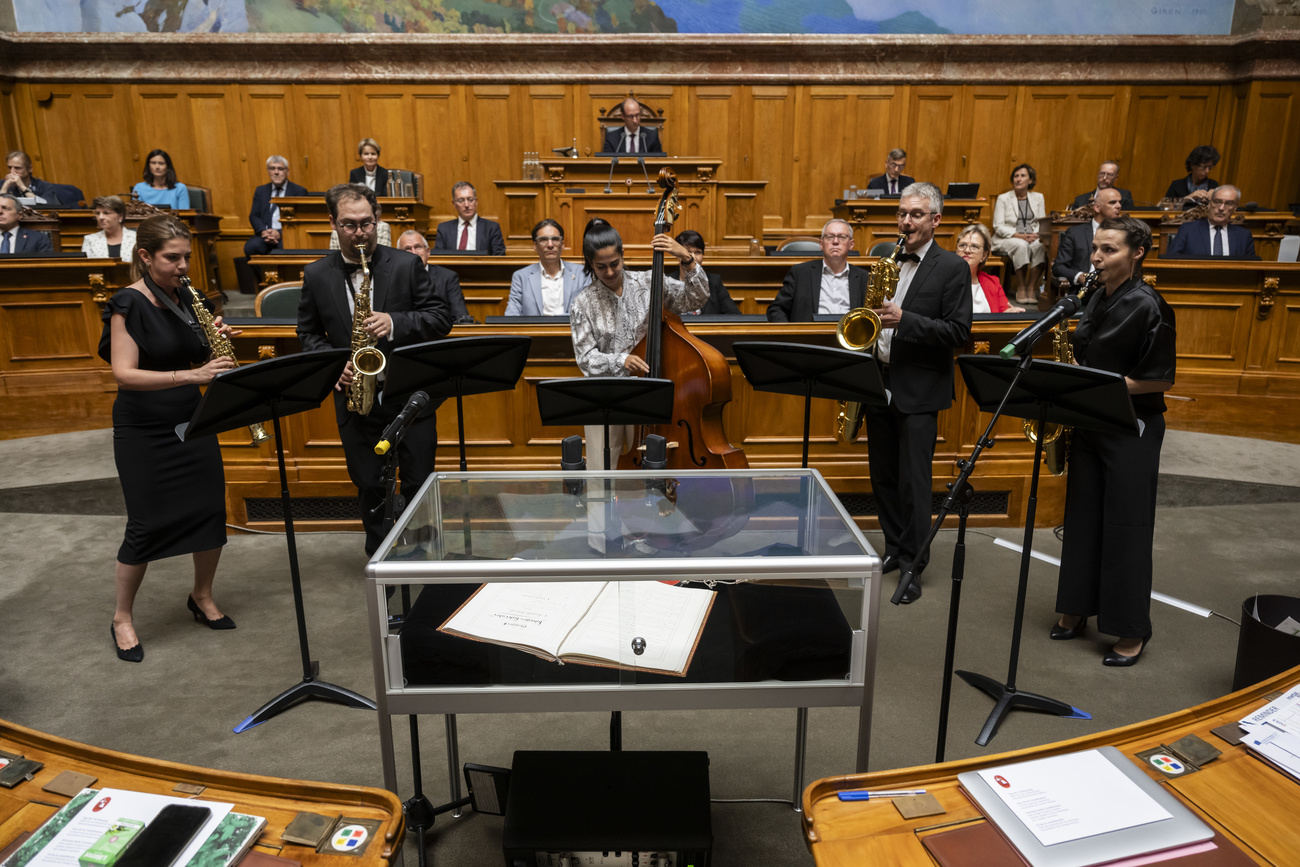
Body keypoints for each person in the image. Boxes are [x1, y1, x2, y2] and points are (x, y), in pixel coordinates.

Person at [96, 215, 238, 662]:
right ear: (145, 257)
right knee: (145, 523)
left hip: (191, 420)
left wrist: (215, 342)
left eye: (186, 257)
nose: (182, 266)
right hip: (143, 429)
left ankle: (201, 595)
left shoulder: (188, 297)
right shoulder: (128, 304)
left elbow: (195, 354)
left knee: (209, 508)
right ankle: (122, 617)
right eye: (171, 258)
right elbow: (123, 373)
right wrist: (192, 374)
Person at [296, 184, 452, 556]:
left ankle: (423, 557)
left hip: (409, 398)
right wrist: (335, 368)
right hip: (355, 400)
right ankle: (379, 560)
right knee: (368, 484)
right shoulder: (317, 275)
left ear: (376, 219)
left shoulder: (405, 264)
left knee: (418, 483)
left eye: (367, 223)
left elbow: (440, 317)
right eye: (349, 225)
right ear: (333, 223)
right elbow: (307, 333)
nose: (360, 232)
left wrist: (394, 322)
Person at [1052, 216, 1176, 667]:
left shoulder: (1151, 306)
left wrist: (1098, 387)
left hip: (1131, 427)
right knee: (1082, 517)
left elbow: (1159, 381)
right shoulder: (1093, 295)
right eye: (1096, 249)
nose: (1097, 258)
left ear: (1136, 253)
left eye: (1109, 250)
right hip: (1091, 420)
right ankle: (1076, 608)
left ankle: (1130, 629)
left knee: (1126, 527)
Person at [863, 182, 972, 604]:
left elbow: (958, 333)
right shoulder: (887, 259)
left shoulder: (952, 268)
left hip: (920, 390)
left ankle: (914, 563)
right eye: (902, 214)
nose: (906, 221)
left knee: (914, 481)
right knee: (883, 477)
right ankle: (894, 547)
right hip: (880, 382)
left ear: (935, 220)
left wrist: (905, 318)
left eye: (916, 214)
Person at [569, 218, 707, 468]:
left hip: (650, 390)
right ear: (591, 263)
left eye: (615, 263)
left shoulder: (649, 282)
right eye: (601, 267)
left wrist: (686, 259)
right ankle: (600, 509)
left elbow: (695, 299)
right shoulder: (583, 303)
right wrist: (622, 360)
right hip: (606, 396)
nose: (610, 272)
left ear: (623, 255)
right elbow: (586, 359)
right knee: (602, 468)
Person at [766, 219, 869, 321]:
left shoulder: (864, 278)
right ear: (821, 244)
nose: (835, 241)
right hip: (809, 336)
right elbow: (776, 309)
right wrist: (790, 335)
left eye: (842, 237)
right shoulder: (800, 273)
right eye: (829, 237)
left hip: (851, 336)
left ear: (851, 244)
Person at [235, 155, 308, 295]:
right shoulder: (261, 191)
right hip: (265, 234)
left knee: (286, 251)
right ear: (267, 171)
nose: (276, 172)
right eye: (272, 168)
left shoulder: (299, 191)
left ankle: (287, 289)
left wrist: (279, 232)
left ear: (287, 171)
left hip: (288, 236)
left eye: (280, 169)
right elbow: (254, 215)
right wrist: (264, 231)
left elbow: (300, 219)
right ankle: (264, 286)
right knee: (251, 247)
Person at [991, 163, 1047, 305]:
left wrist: (1034, 235)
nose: (1018, 179)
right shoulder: (1004, 198)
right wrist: (1020, 236)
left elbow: (1041, 221)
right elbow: (998, 226)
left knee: (1041, 246)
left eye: (1023, 176)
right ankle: (1021, 286)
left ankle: (1031, 287)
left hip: (1032, 236)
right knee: (1021, 245)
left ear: (1031, 180)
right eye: (1016, 176)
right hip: (1007, 238)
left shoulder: (1038, 197)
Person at [396, 229, 478, 324]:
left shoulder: (447, 277)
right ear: (398, 254)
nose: (414, 253)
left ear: (428, 252)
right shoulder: (393, 277)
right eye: (408, 249)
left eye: (418, 247)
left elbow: (460, 315)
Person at [506, 219, 585, 315]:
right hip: (534, 329)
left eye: (555, 239)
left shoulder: (582, 273)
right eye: (543, 240)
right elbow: (511, 314)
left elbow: (588, 312)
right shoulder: (521, 277)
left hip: (571, 329)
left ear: (562, 245)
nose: (550, 245)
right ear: (535, 246)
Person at [1052, 187, 1125, 288]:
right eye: (1112, 202)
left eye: (1119, 202)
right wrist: (1079, 276)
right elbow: (1058, 267)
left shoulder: (1123, 234)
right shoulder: (1075, 233)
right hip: (1082, 290)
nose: (1118, 206)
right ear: (1097, 208)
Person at [1163, 185, 1257, 259]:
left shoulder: (1244, 236)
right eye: (1217, 202)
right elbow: (1171, 261)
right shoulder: (1188, 230)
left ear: (1235, 208)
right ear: (1209, 204)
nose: (1221, 208)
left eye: (1228, 203)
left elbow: (1251, 269)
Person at [955, 224, 1025, 314]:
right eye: (962, 245)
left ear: (984, 256)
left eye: (974, 246)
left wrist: (1009, 313)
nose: (967, 250)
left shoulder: (993, 283)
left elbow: (1004, 311)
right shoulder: (944, 280)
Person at [676, 229, 740, 314]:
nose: (693, 258)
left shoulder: (714, 282)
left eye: (698, 252)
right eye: (688, 252)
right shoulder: (665, 282)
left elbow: (734, 316)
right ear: (677, 255)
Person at [432, 182, 505, 255]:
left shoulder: (491, 228)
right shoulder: (444, 229)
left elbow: (499, 258)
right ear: (454, 204)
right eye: (461, 200)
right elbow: (439, 257)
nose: (466, 205)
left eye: (470, 199)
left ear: (476, 201)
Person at [81, 195, 136, 262]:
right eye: (98, 213)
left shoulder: (136, 239)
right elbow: (87, 268)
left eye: (106, 213)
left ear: (120, 217)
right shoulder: (90, 240)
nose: (100, 217)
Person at [2, 150, 67, 205]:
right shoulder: (3, 184)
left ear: (30, 168)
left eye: (17, 168)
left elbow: (47, 208)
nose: (12, 171)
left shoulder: (44, 186)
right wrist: (5, 187)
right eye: (10, 167)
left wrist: (22, 187)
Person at [1069, 161, 1133, 210]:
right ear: (1097, 175)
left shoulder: (1124, 196)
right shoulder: (1080, 199)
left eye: (1109, 175)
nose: (1104, 178)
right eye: (1102, 174)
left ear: (1116, 178)